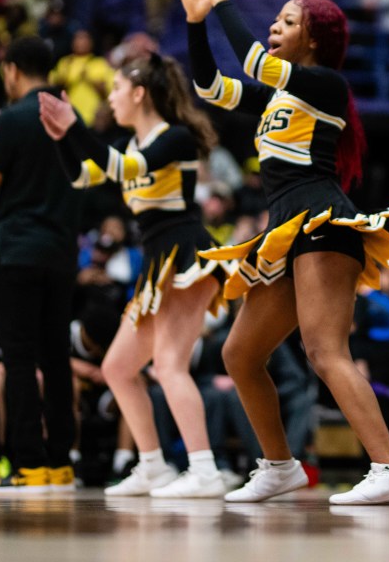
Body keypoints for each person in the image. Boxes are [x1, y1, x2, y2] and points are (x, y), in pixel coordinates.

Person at [180, 0, 389, 505]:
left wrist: (222, 4)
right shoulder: (277, 95)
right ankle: (278, 465)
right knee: (239, 354)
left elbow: (253, 64)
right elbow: (211, 88)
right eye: (276, 17)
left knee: (324, 349)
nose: (273, 25)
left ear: (313, 39)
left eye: (288, 20)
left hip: (323, 222)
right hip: (284, 232)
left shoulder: (324, 85)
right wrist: (197, 21)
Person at [38, 52, 230, 499]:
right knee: (119, 367)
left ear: (140, 93)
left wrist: (76, 128)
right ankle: (152, 466)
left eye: (117, 89)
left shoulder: (175, 138)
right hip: (156, 260)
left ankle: (204, 470)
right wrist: (61, 136)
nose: (111, 97)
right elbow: (82, 177)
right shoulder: (128, 145)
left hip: (186, 257)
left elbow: (129, 170)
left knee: (168, 365)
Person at [0, 37, 83, 495]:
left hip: (16, 251)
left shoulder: (12, 118)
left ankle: (28, 464)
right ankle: (60, 463)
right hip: (60, 252)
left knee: (19, 359)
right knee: (57, 358)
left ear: (13, 70)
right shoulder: (68, 115)